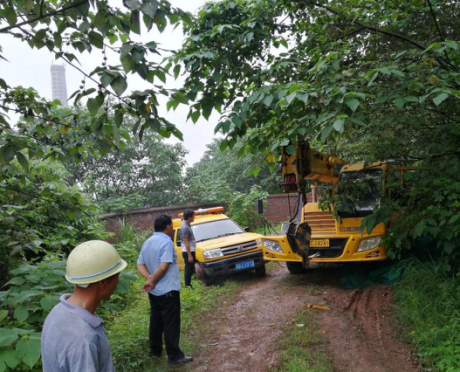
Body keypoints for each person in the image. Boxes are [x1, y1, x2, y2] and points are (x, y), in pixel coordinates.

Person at [41, 240, 128, 372]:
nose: (118, 281)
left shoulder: (57, 312)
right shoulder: (83, 340)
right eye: (117, 276)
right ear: (103, 283)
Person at [137, 215, 193, 366]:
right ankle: (175, 357)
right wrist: (153, 280)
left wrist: (149, 279)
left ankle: (155, 350)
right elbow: (164, 266)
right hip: (168, 290)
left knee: (156, 321)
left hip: (154, 292)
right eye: (171, 226)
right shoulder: (166, 242)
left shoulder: (147, 242)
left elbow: (140, 265)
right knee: (171, 323)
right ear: (168, 226)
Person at [179, 209, 196, 288]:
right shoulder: (185, 227)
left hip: (191, 250)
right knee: (188, 269)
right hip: (187, 251)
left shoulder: (187, 225)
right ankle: (187, 285)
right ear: (189, 217)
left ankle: (189, 284)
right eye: (193, 216)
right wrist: (189, 255)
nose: (194, 217)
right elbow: (186, 242)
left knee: (190, 268)